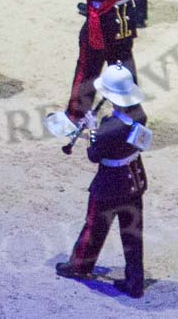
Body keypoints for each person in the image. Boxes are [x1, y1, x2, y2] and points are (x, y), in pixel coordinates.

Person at [55, 64, 151, 299]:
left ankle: (81, 265)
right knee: (132, 234)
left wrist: (93, 129)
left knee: (94, 225)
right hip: (134, 180)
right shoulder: (140, 114)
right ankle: (134, 281)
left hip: (110, 185)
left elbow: (94, 155)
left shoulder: (109, 128)